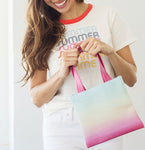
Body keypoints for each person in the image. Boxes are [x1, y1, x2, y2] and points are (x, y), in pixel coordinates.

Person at [20, 0, 138, 149]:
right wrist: (61, 73)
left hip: (106, 116)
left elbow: (131, 79)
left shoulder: (107, 15)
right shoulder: (40, 29)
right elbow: (37, 99)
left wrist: (110, 52)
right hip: (62, 124)